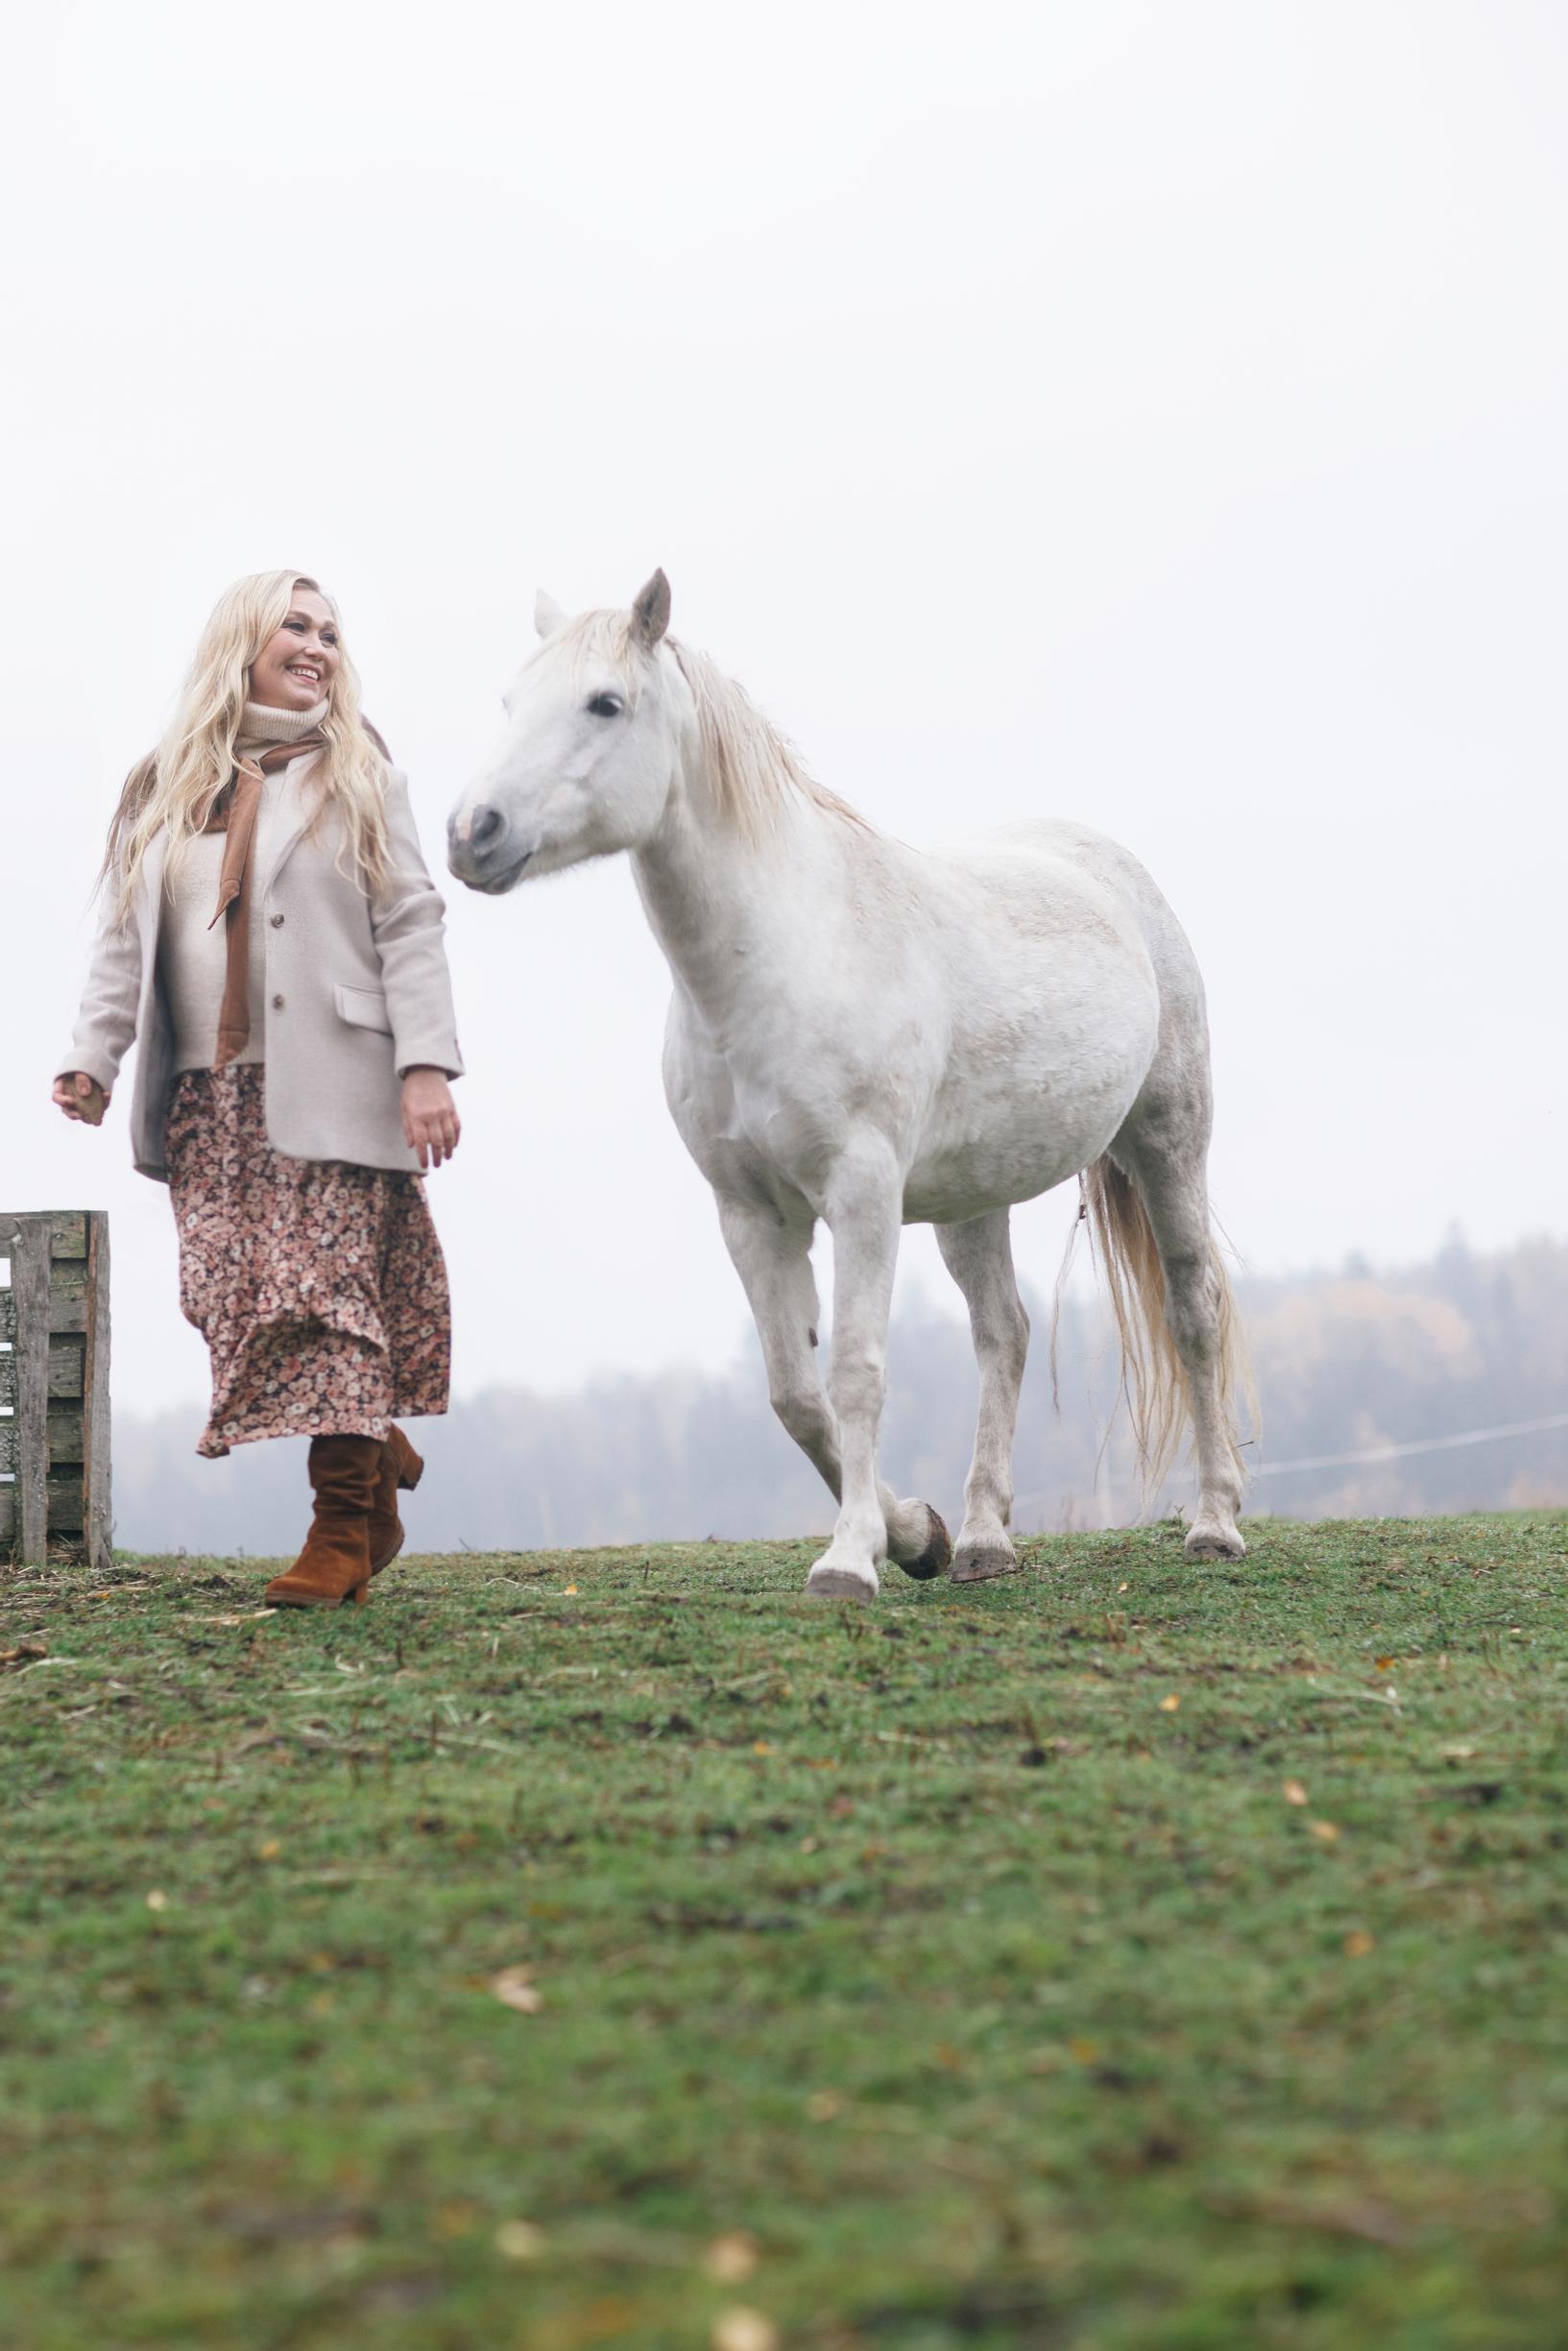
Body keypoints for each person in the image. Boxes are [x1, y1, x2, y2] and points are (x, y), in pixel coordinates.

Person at [54, 570, 462, 1609]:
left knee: (329, 1304)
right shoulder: (163, 786)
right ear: (243, 639)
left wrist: (425, 1065)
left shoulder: (360, 774)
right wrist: (93, 1058)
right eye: (297, 624)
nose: (318, 644)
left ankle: (340, 1534)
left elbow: (411, 922)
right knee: (231, 1301)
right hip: (207, 1100)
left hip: (335, 1080)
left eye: (332, 631)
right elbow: (121, 940)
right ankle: (376, 1442)